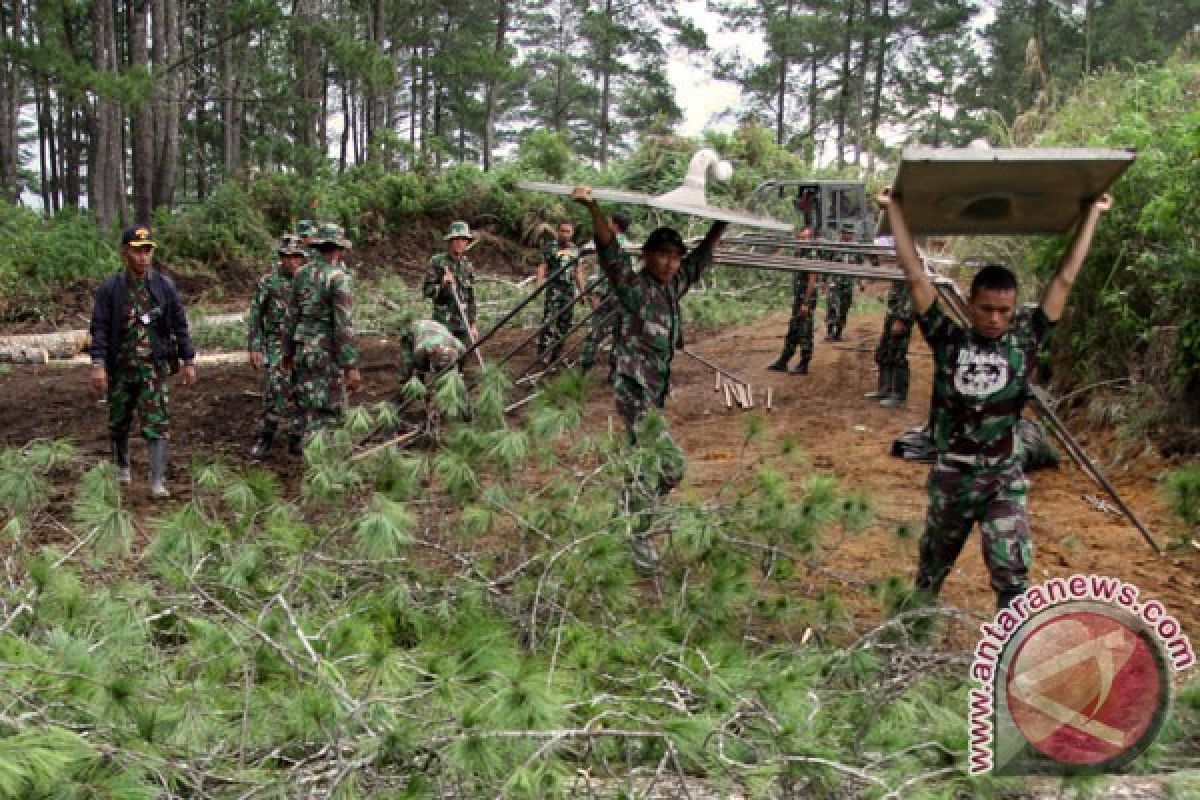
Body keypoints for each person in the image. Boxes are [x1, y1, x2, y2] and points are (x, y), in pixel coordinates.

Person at [878, 188, 1113, 609]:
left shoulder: (1027, 339)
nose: (995, 319)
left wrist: (1092, 215)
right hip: (952, 476)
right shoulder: (947, 339)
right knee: (930, 574)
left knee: (1012, 578)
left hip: (1003, 477)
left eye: (1004, 311)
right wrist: (894, 209)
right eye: (987, 309)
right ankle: (912, 647)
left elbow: (1064, 278)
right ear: (970, 304)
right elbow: (915, 275)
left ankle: (1010, 661)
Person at [572, 185, 728, 573]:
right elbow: (610, 253)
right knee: (668, 464)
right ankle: (636, 533)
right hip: (633, 385)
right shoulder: (634, 286)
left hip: (654, 390)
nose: (671, 263)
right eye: (663, 255)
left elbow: (699, 263)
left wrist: (719, 227)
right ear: (647, 256)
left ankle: (624, 520)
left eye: (675, 257)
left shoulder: (671, 286)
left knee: (643, 461)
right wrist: (593, 208)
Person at [88, 225, 196, 498]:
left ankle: (157, 480)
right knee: (119, 420)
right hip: (121, 368)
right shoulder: (111, 288)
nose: (143, 257)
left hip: (153, 368)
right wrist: (98, 364)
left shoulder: (163, 285)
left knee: (157, 422)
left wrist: (188, 359)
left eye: (147, 251)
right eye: (137, 251)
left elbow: (179, 323)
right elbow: (99, 327)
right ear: (126, 253)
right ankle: (121, 467)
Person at [282, 222, 360, 449]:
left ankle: (305, 447)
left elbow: (291, 316)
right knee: (331, 407)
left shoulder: (301, 274)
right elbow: (343, 325)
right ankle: (325, 458)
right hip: (327, 352)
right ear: (338, 249)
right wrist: (350, 365)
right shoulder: (338, 278)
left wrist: (287, 352)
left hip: (303, 349)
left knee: (306, 401)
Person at [246, 234, 306, 459]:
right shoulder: (269, 281)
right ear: (281, 258)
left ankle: (297, 438)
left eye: (296, 257)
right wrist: (254, 346)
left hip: (302, 343)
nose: (292, 262)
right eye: (287, 257)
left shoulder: (308, 280)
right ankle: (266, 437)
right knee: (275, 390)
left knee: (303, 392)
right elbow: (255, 316)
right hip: (276, 343)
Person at [579, 211, 631, 378]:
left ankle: (585, 371)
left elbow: (605, 274)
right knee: (619, 335)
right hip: (623, 297)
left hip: (607, 295)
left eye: (609, 223)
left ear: (615, 225)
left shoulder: (611, 245)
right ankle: (614, 373)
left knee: (595, 332)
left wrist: (596, 295)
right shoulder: (630, 247)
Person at [768, 226, 820, 374]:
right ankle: (784, 360)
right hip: (799, 297)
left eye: (806, 238)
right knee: (794, 328)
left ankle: (804, 363)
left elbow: (813, 278)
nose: (803, 240)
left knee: (805, 330)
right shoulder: (798, 251)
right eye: (801, 237)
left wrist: (806, 303)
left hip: (806, 298)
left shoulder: (811, 253)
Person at [535, 219, 586, 366]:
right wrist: (539, 284)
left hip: (568, 292)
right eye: (562, 231)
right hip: (554, 290)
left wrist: (582, 292)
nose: (565, 234)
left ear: (572, 233)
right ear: (558, 231)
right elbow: (543, 266)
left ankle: (556, 355)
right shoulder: (550, 247)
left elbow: (578, 272)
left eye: (568, 231)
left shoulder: (575, 250)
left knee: (565, 324)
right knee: (549, 322)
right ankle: (543, 353)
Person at [422, 221, 479, 348]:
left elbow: (471, 298)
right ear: (450, 241)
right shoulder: (437, 262)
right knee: (444, 358)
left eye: (463, 240)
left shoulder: (467, 266)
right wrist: (442, 283)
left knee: (463, 358)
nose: (460, 243)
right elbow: (427, 291)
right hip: (443, 323)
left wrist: (473, 324)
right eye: (456, 239)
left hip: (463, 324)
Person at [865, 279, 914, 407]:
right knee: (884, 352)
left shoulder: (911, 268)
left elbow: (911, 293)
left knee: (898, 356)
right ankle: (884, 389)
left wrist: (902, 318)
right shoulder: (901, 268)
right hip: (892, 317)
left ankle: (899, 396)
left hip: (900, 318)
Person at [823, 223, 862, 341]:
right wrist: (824, 282)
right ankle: (830, 331)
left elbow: (859, 266)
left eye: (851, 234)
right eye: (847, 233)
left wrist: (860, 282)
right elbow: (825, 264)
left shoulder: (856, 249)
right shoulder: (834, 246)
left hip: (848, 283)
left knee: (844, 308)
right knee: (833, 306)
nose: (849, 236)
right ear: (842, 233)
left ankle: (838, 332)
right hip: (835, 283)